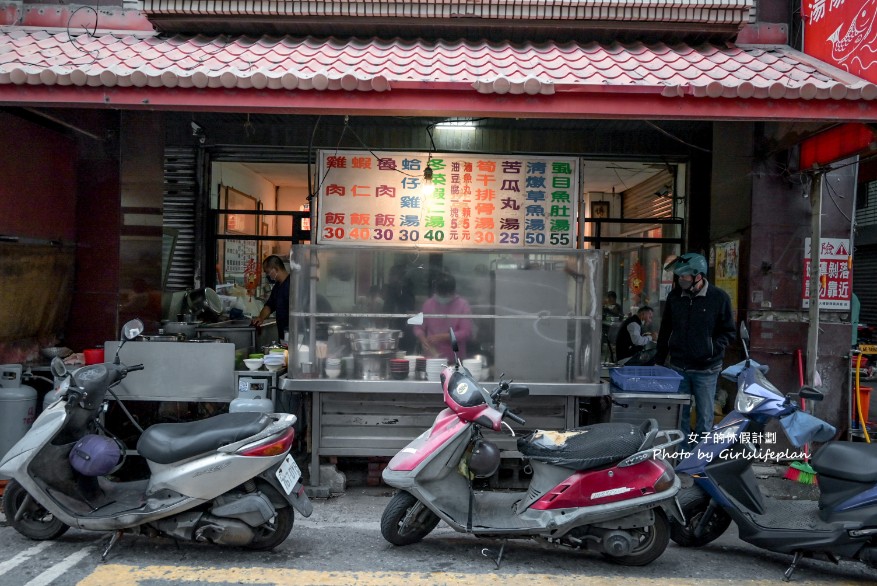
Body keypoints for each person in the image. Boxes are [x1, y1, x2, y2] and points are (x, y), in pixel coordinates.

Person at [654, 252, 735, 445]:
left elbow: (728, 332)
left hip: (706, 369)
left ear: (698, 276)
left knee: (704, 417)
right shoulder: (675, 297)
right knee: (679, 415)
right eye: (679, 276)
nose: (681, 280)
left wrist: (711, 349)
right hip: (678, 367)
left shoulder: (719, 298)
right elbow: (665, 330)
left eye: (684, 276)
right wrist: (659, 361)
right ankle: (681, 455)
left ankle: (700, 458)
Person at [414, 272, 472, 362]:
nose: (443, 297)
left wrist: (443, 336)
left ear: (453, 292)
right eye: (441, 294)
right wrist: (422, 338)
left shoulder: (462, 305)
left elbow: (466, 332)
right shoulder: (428, 304)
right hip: (432, 357)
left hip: (455, 357)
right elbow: (418, 327)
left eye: (446, 294)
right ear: (436, 291)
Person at [252, 255, 290, 341]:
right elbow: (269, 305)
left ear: (275, 269)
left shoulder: (292, 284)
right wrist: (260, 318)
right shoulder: (277, 287)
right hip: (282, 334)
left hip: (293, 333)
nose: (267, 275)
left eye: (267, 272)